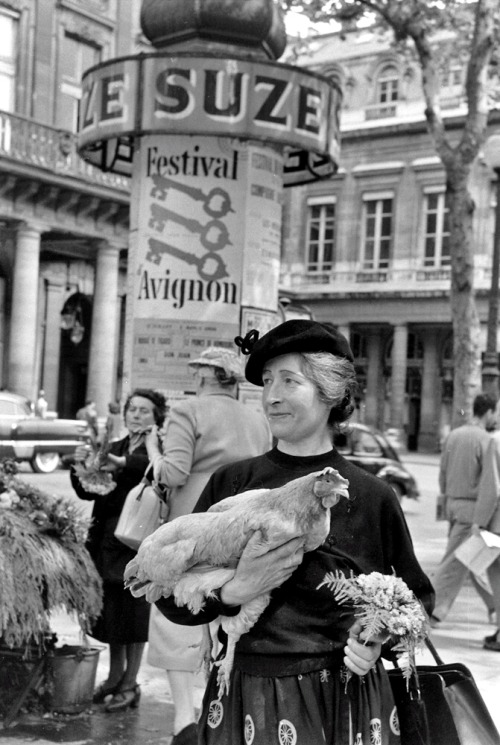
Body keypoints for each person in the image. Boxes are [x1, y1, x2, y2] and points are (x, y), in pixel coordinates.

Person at [155, 320, 434, 745]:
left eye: (290, 381)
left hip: (346, 699)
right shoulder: (232, 483)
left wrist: (377, 637)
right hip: (249, 696)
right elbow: (172, 597)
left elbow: (416, 598)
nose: (272, 396)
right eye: (267, 381)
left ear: (330, 392)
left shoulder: (370, 494)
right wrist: (232, 593)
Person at [145, 347, 271, 745]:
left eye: (197, 370)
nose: (194, 376)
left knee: (175, 618)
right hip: (243, 528)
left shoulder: (189, 411)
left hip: (191, 528)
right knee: (225, 619)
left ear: (206, 375)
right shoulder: (256, 417)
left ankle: (184, 717)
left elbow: (175, 471)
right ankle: (216, 712)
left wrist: (152, 452)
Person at [71, 388, 167, 712]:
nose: (136, 415)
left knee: (135, 613)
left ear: (156, 418)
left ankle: (130, 683)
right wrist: (79, 468)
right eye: (132, 409)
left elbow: (154, 471)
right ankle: (114, 677)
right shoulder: (112, 447)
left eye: (144, 411)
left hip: (139, 543)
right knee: (113, 614)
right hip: (108, 541)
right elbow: (90, 492)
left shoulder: (158, 450)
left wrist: (123, 463)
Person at [431, 392, 496, 625]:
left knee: (476, 561)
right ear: (488, 412)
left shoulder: (453, 436)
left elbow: (442, 472)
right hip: (474, 509)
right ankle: (433, 607)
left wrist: (445, 502)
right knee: (457, 561)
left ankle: (493, 607)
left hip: (453, 504)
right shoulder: (487, 440)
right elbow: (490, 481)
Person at [474, 416, 500, 650]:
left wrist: (479, 522)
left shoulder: (496, 442)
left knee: (497, 577)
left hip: (497, 527)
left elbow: (492, 488)